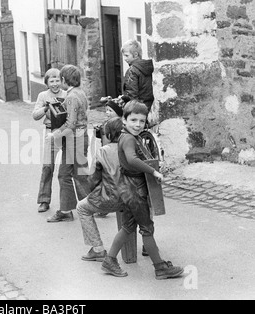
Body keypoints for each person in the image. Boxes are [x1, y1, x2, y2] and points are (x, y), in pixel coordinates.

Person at [101, 100, 184, 279]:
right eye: (133, 120)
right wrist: (153, 171)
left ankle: (109, 260)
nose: (138, 124)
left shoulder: (128, 136)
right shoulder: (129, 138)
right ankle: (160, 267)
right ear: (124, 120)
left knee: (128, 226)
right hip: (134, 190)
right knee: (147, 228)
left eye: (141, 121)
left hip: (129, 188)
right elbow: (131, 159)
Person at [46, 64, 91, 223]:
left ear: (64, 80)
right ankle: (94, 206)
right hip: (82, 137)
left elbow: (71, 124)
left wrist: (55, 134)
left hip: (74, 140)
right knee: (81, 174)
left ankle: (66, 211)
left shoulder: (71, 96)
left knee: (64, 174)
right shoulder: (81, 93)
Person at [77, 117, 124, 261]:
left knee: (81, 207)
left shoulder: (103, 151)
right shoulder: (131, 148)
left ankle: (98, 249)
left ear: (108, 135)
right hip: (131, 196)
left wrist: (91, 192)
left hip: (110, 198)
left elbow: (93, 179)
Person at [32, 68, 67, 213]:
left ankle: (75, 201)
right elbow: (35, 115)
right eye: (51, 81)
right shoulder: (42, 95)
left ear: (62, 81)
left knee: (70, 169)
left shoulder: (66, 94)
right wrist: (46, 107)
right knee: (48, 167)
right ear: (46, 82)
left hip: (65, 132)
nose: (55, 84)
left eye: (57, 80)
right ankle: (44, 200)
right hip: (50, 132)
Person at [121, 39, 154, 112]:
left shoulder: (132, 70)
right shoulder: (146, 67)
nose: (125, 59)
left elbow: (131, 93)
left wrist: (129, 107)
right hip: (147, 103)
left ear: (135, 55)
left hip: (136, 106)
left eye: (127, 55)